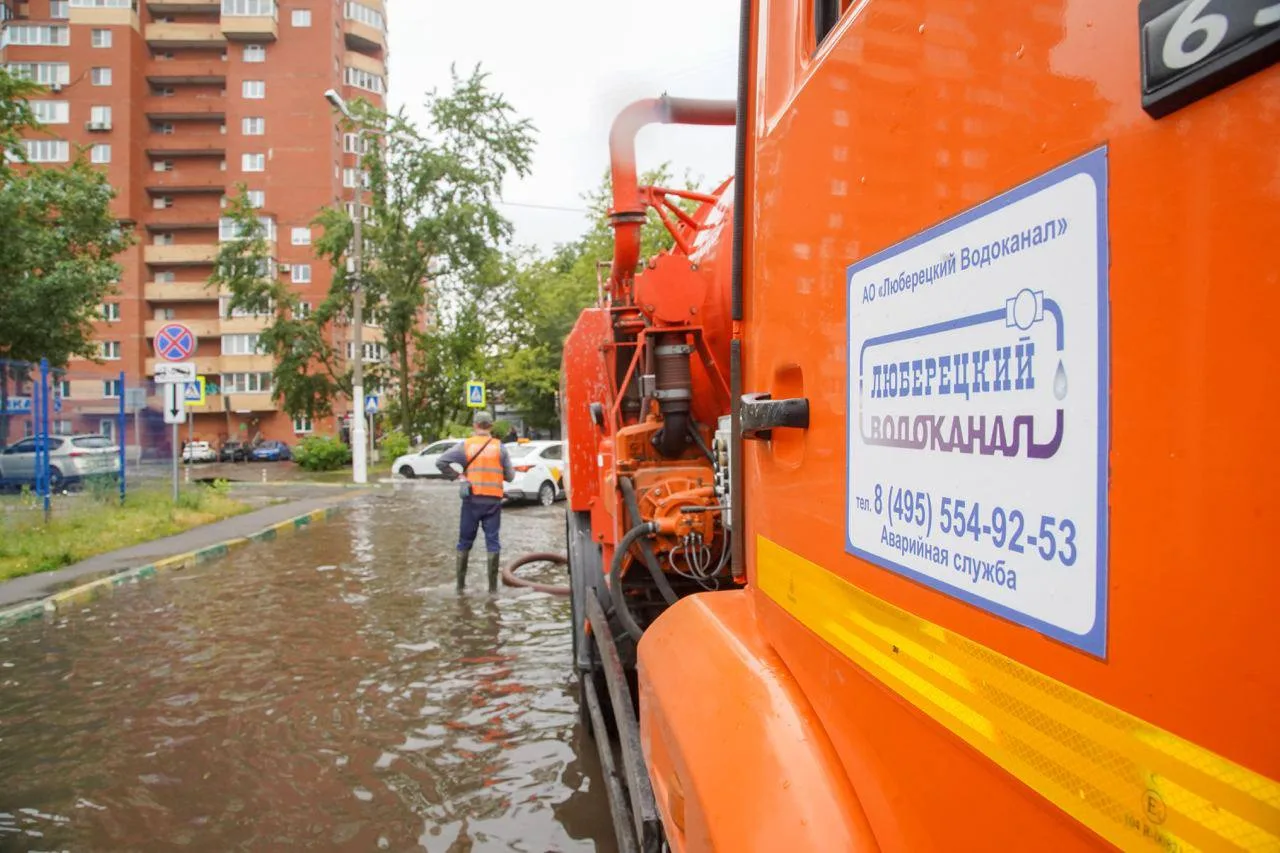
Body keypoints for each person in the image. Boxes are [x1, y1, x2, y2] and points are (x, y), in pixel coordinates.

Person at [436, 411, 515, 592]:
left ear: (475, 425)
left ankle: (460, 588)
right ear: (491, 426)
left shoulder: (466, 445)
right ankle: (492, 590)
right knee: (492, 542)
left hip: (472, 500)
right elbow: (510, 476)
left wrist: (459, 476)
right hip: (493, 501)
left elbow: (441, 462)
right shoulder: (499, 447)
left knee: (464, 542)